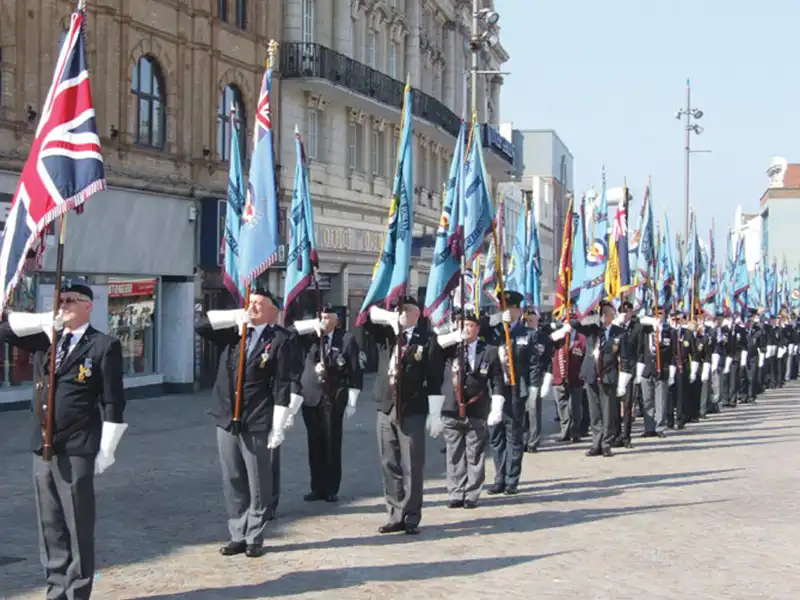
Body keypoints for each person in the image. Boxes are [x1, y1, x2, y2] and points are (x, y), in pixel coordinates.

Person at [0, 281, 127, 600]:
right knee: (50, 524)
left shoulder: (103, 345)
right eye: (61, 299)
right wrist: (45, 320)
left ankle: (78, 591)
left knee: (77, 523)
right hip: (43, 445)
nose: (64, 304)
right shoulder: (47, 339)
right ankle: (56, 588)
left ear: (88, 306)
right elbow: (5, 330)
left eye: (71, 300)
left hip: (77, 445)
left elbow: (113, 400)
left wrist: (107, 448)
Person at [195, 287, 302, 558]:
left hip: (257, 417)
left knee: (257, 481)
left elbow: (282, 383)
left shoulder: (280, 339)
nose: (252, 307)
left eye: (258, 304)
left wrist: (279, 423)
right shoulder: (235, 331)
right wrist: (234, 316)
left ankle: (254, 535)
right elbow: (201, 326)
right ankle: (237, 534)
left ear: (272, 311)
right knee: (233, 478)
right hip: (227, 415)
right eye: (250, 302)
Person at [365, 297, 444, 535]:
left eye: (404, 310)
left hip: (412, 408)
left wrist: (435, 413)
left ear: (416, 314)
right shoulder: (387, 335)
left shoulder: (427, 340)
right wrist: (389, 318)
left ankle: (411, 515)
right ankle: (394, 514)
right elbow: (366, 317)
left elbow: (435, 379)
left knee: (412, 465)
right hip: (386, 406)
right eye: (398, 310)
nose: (400, 314)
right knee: (388, 463)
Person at [291, 304, 363, 502]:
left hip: (333, 397)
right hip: (311, 397)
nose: (324, 320)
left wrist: (352, 400)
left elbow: (354, 370)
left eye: (328, 317)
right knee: (314, 444)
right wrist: (311, 326)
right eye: (321, 317)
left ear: (336, 320)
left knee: (331, 443)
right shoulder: (309, 337)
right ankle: (317, 487)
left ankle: (331, 488)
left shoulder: (346, 339)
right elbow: (290, 332)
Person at [436, 309, 504, 509]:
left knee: (475, 454)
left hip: (476, 407)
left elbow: (497, 379)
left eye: (470, 325)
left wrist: (497, 406)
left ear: (477, 329)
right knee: (454, 454)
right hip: (451, 408)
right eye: (462, 325)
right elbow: (434, 346)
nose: (466, 329)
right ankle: (456, 492)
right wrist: (453, 336)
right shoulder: (449, 348)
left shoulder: (489, 351)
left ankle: (472, 493)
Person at [486, 290, 536, 494]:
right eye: (503, 307)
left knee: (513, 435)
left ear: (518, 310)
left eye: (511, 308)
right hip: (494, 390)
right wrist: (497, 321)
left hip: (515, 390)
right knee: (496, 435)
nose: (507, 311)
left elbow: (533, 364)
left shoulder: (527, 334)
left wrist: (534, 387)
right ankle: (499, 478)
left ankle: (511, 479)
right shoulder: (495, 331)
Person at [566, 302, 627, 457]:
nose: (605, 316)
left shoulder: (619, 332)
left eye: (608, 313)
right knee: (594, 412)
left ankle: (606, 444)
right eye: (602, 313)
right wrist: (588, 315)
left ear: (612, 316)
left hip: (608, 375)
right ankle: (596, 443)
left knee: (608, 412)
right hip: (591, 374)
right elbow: (574, 324)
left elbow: (625, 358)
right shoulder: (591, 329)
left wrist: (623, 382)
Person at [549, 310, 586, 443]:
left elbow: (585, 356)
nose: (567, 324)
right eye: (565, 321)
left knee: (575, 406)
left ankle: (575, 432)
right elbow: (547, 345)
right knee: (562, 405)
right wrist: (558, 333)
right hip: (559, 377)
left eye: (570, 322)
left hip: (576, 377)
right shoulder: (558, 337)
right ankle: (564, 431)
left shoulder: (581, 339)